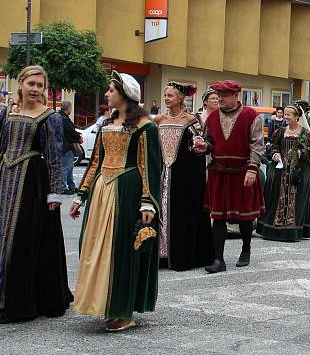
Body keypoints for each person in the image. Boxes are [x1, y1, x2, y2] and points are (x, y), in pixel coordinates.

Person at [70, 72, 160, 332]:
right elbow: (96, 161)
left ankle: (124, 310)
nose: (107, 94)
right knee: (99, 250)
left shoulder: (145, 126)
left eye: (111, 90)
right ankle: (106, 304)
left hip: (127, 191)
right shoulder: (107, 123)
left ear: (124, 94)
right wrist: (81, 194)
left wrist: (147, 202)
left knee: (122, 251)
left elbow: (149, 168)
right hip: (102, 192)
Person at [0, 65, 72, 324]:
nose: (35, 89)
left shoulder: (49, 117)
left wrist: (55, 192)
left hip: (31, 182)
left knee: (23, 238)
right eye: (31, 84)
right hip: (3, 179)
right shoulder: (8, 114)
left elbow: (54, 156)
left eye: (39, 85)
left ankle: (20, 302)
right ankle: (0, 295)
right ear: (20, 84)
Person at [194, 80, 264, 272]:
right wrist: (203, 146)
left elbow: (257, 145)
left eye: (224, 95)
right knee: (218, 216)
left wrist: (252, 168)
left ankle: (246, 249)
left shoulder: (251, 116)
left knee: (244, 217)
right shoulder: (212, 117)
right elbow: (209, 141)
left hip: (243, 172)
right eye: (218, 95)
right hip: (219, 172)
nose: (220, 99)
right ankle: (219, 260)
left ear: (236, 96)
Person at [154, 83, 213, 271]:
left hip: (183, 177)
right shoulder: (158, 120)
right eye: (165, 95)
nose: (166, 99)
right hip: (162, 174)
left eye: (170, 96)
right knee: (160, 211)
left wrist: (198, 146)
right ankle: (160, 254)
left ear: (180, 98)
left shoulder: (192, 121)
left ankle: (182, 253)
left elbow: (200, 147)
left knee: (182, 211)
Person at [258, 105, 310, 239]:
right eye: (285, 114)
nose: (286, 117)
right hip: (280, 171)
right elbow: (273, 146)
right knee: (277, 197)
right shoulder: (280, 131)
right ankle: (274, 229)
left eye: (289, 115)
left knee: (296, 200)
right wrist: (275, 154)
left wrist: (300, 152)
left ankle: (292, 231)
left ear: (296, 117)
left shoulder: (305, 133)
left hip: (298, 172)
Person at [59, 100, 82, 194]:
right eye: (71, 108)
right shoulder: (64, 119)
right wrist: (79, 137)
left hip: (65, 146)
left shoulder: (60, 117)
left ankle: (71, 186)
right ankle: (63, 187)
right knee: (65, 168)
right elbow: (71, 131)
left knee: (69, 167)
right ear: (68, 108)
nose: (71, 110)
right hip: (66, 146)